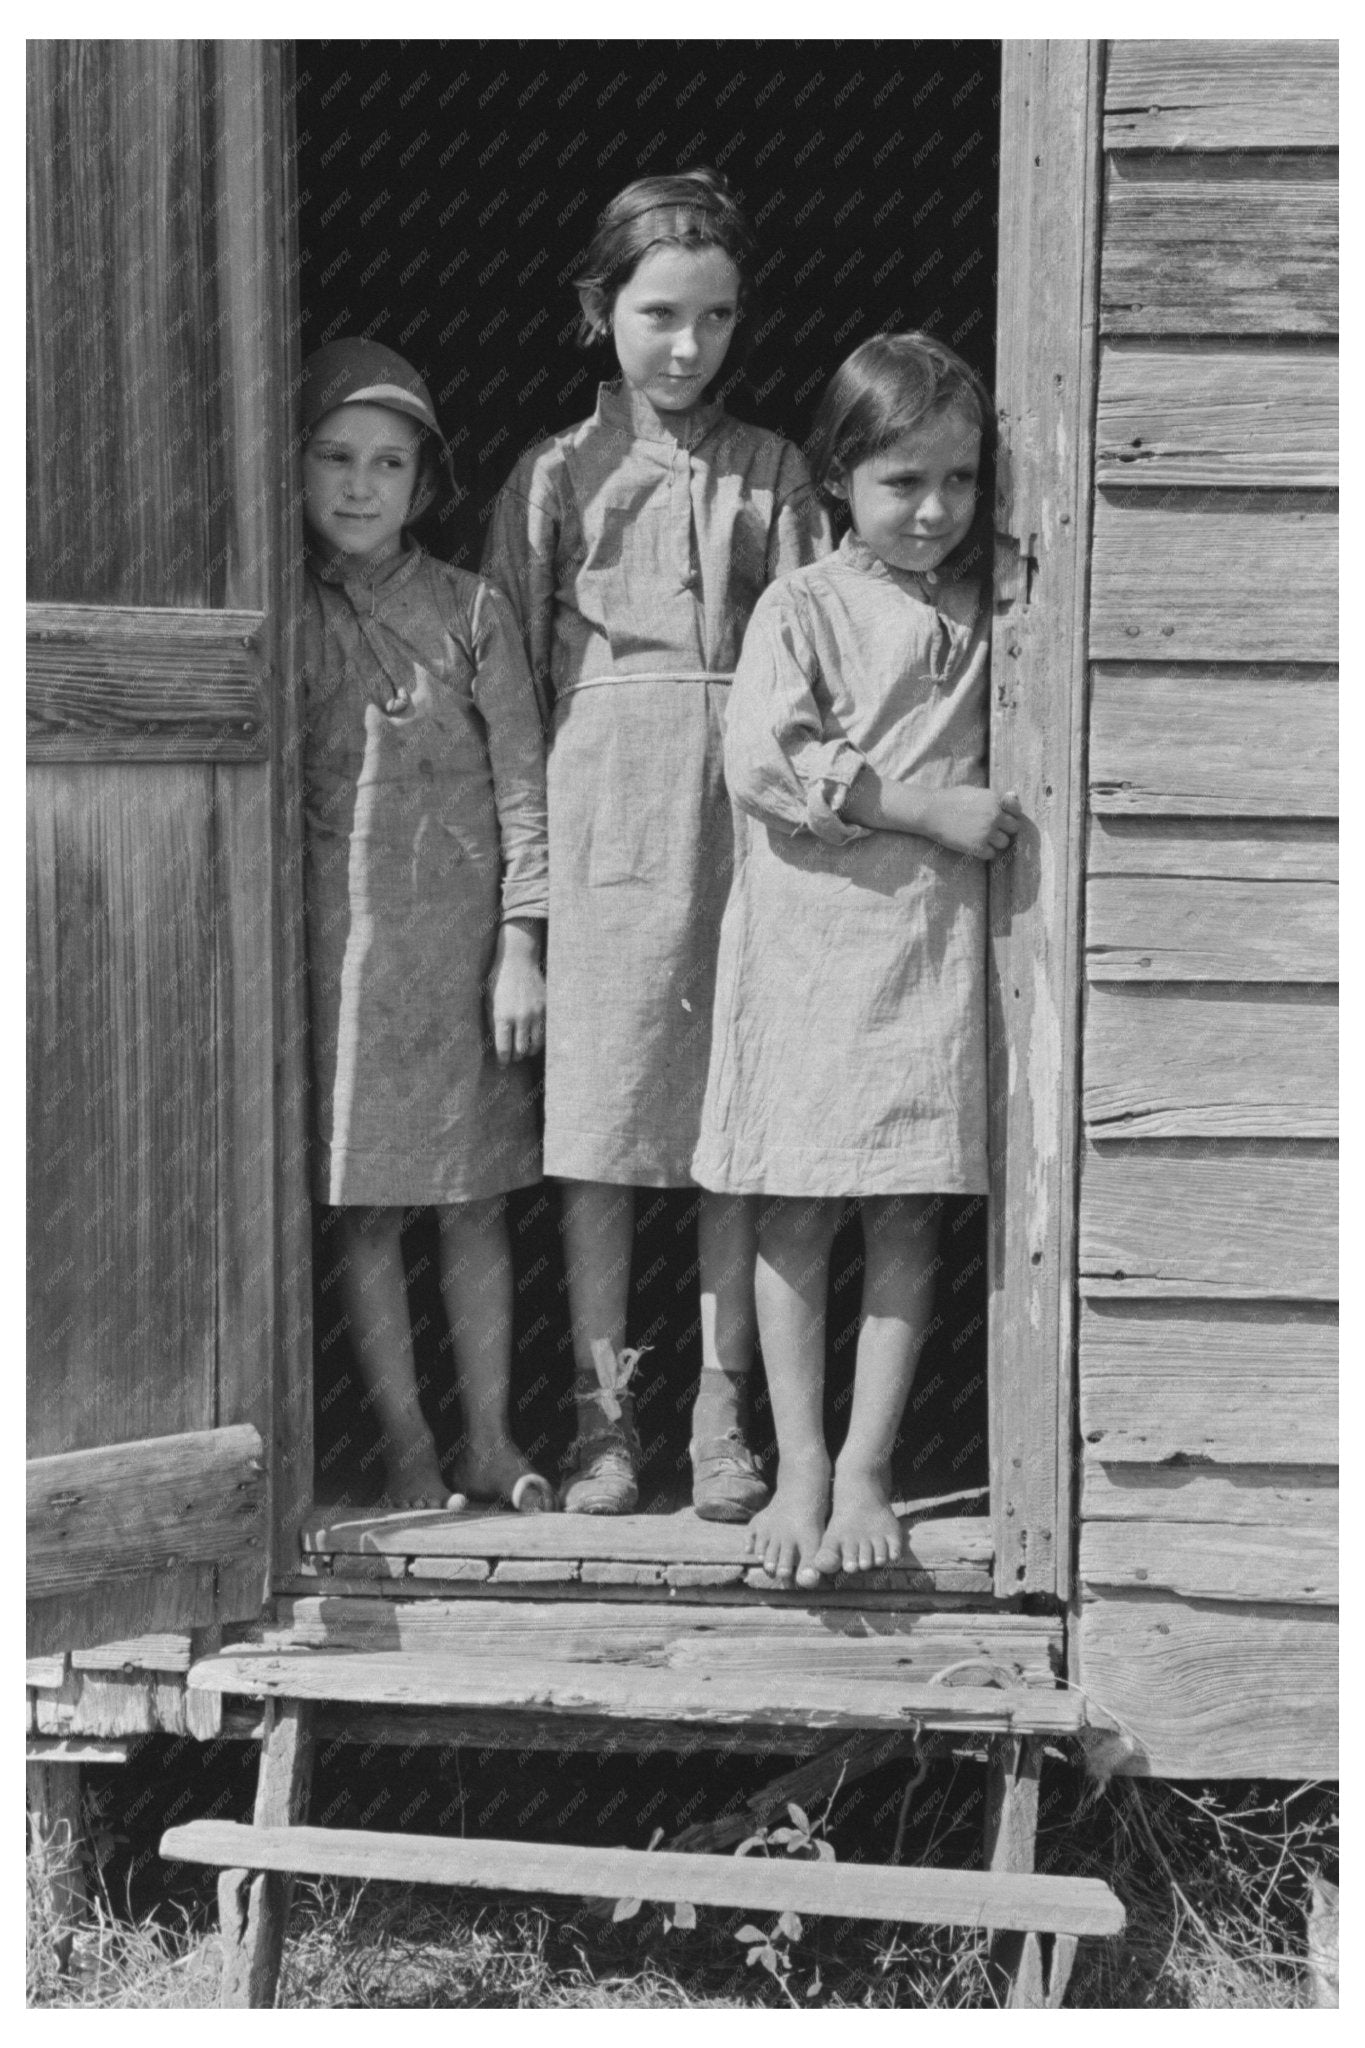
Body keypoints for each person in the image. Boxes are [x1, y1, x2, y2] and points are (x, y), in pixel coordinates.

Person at [483, 170, 832, 1518]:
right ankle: (602, 1415)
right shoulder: (550, 478)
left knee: (727, 1125)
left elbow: (812, 661)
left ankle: (719, 1408)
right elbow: (507, 685)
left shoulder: (779, 474)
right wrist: (522, 902)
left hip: (737, 829)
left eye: (717, 318)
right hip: (598, 827)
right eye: (659, 315)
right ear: (600, 311)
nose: (688, 347)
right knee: (605, 1125)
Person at [691, 332, 1023, 1586]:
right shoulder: (806, 604)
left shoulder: (997, 600)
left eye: (959, 479)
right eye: (902, 483)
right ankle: (803, 1460)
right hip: (813, 947)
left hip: (929, 955)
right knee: (795, 1204)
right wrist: (922, 807)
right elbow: (765, 761)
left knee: (906, 1204)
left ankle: (874, 1460)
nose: (934, 508)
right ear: (839, 480)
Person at [300, 337, 553, 1514]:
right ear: (295, 466)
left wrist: (523, 941)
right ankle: (404, 1444)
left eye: (387, 462)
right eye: (336, 456)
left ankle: (489, 1439)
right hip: (334, 963)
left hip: (459, 959)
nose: (360, 485)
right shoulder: (281, 617)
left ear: (426, 479)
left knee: (472, 1199)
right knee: (365, 1207)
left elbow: (524, 791)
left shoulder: (472, 611)